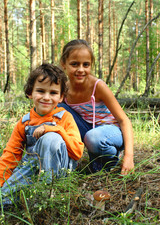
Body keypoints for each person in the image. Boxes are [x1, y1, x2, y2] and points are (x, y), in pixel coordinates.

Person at [0, 64, 84, 206]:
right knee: (4, 199)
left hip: (60, 171)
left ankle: (48, 195)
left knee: (50, 139)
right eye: (40, 91)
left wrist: (57, 130)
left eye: (53, 93)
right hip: (32, 168)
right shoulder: (25, 122)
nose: (46, 97)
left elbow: (77, 152)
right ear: (30, 92)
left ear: (61, 97)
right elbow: (10, 155)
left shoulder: (65, 117)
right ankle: (30, 198)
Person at [59, 39, 134, 175]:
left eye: (86, 64)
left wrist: (129, 156)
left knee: (93, 137)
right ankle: (67, 161)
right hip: (88, 131)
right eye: (74, 64)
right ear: (64, 64)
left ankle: (113, 158)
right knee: (58, 108)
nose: (80, 69)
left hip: (111, 133)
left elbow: (124, 121)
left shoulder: (98, 86)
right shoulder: (63, 89)